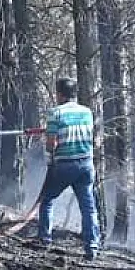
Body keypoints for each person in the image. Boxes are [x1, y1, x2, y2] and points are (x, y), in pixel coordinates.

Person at [38, 77, 101, 259]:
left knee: (47, 200)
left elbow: (52, 143)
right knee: (88, 207)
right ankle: (92, 247)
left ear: (59, 94)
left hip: (65, 165)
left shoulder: (55, 113)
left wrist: (49, 151)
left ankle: (45, 240)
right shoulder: (87, 112)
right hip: (86, 165)